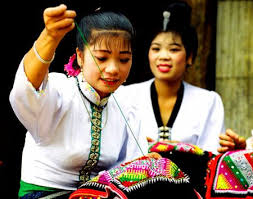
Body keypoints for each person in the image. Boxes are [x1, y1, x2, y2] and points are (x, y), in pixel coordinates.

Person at [9, 4, 149, 198]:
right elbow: (26, 92)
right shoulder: (59, 91)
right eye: (102, 58)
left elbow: (135, 166)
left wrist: (148, 165)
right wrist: (49, 37)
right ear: (81, 57)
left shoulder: (128, 104)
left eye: (124, 60)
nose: (113, 69)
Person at [115, 1, 225, 154]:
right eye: (156, 49)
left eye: (173, 49)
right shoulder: (125, 96)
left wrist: (181, 150)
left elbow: (212, 156)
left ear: (190, 57)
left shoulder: (209, 101)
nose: (163, 56)